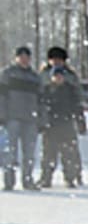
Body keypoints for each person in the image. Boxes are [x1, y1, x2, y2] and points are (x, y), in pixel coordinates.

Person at [0, 46, 47, 191]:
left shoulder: (35, 78)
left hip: (30, 120)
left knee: (29, 153)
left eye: (26, 57)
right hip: (12, 118)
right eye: (21, 57)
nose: (24, 59)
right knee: (9, 152)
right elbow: (1, 97)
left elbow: (41, 101)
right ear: (16, 58)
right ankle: (9, 181)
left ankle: (28, 180)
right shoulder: (7, 74)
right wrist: (2, 115)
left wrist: (42, 120)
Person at [39, 46, 86, 185]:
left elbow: (77, 100)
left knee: (70, 152)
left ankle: (72, 176)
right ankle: (46, 176)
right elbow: (40, 100)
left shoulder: (71, 78)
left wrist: (80, 120)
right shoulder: (43, 77)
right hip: (50, 122)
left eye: (59, 60)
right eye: (54, 59)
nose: (56, 62)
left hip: (66, 121)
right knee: (49, 152)